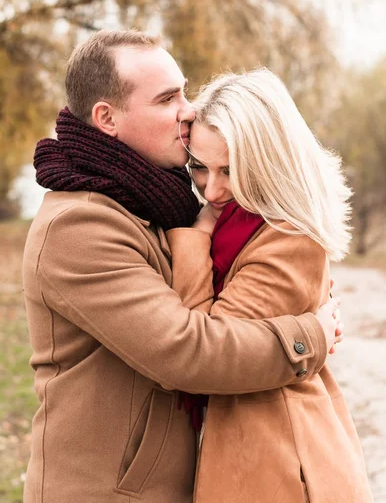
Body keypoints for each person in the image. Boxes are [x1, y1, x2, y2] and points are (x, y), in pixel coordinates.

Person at [22, 30, 342, 503]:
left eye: (185, 91)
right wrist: (309, 335)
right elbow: (189, 351)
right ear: (107, 118)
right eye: (168, 98)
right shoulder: (81, 225)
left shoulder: (144, 200)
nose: (189, 110)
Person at [166, 69, 373, 502]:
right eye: (200, 167)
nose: (214, 189)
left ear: (268, 162)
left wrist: (194, 237)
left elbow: (205, 349)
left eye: (231, 170)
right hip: (255, 448)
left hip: (281, 464)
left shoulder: (288, 236)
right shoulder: (240, 221)